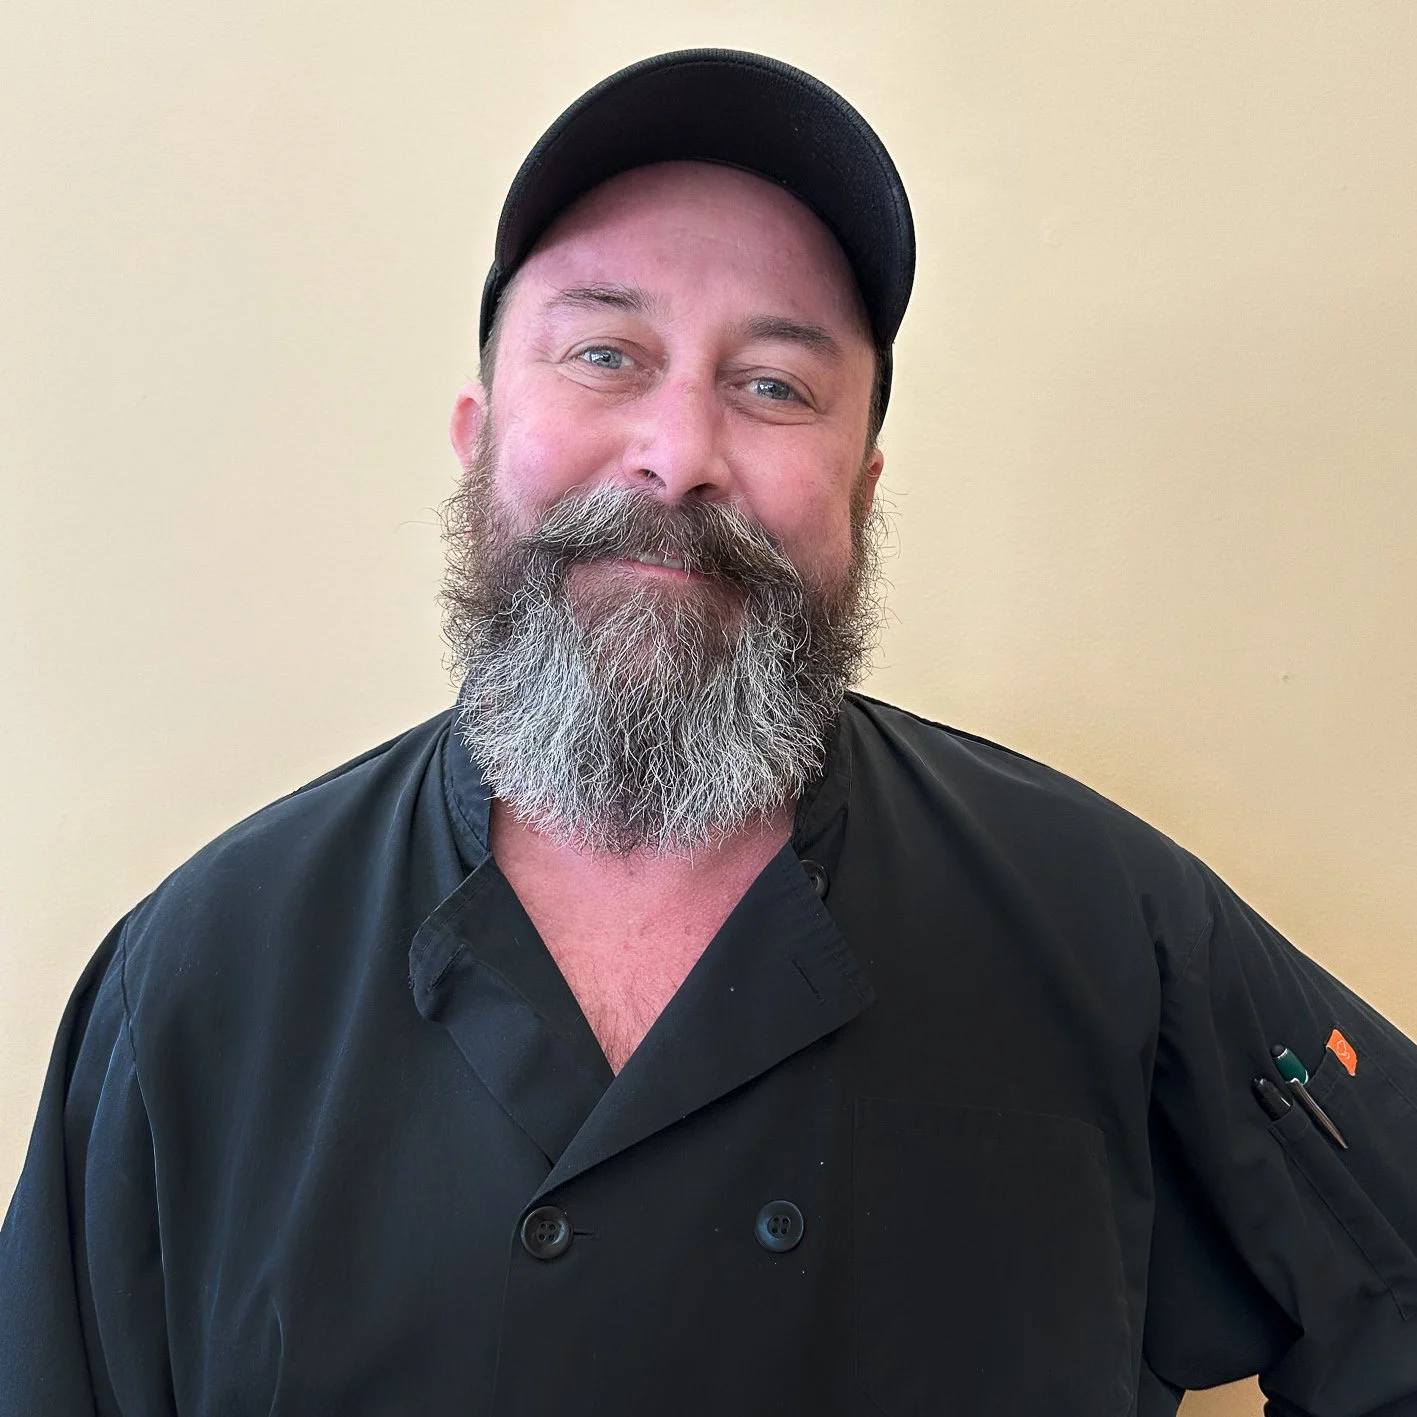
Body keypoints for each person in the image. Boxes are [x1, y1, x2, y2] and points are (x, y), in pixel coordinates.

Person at [2, 47, 1414, 1417]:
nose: (679, 455)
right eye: (606, 353)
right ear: (479, 436)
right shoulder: (196, 980)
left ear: (860, 491)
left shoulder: (1103, 922)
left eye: (775, 384)